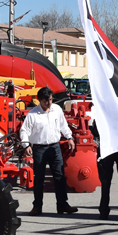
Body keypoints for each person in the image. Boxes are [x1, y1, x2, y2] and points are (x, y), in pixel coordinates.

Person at [19, 87, 77, 216]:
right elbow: (24, 131)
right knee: (39, 179)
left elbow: (63, 125)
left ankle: (62, 205)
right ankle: (37, 207)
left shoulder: (57, 109)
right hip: (39, 148)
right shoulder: (32, 114)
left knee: (60, 176)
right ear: (39, 100)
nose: (49, 103)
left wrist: (69, 137)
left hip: (55, 147)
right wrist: (26, 145)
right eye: (46, 101)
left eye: (50, 100)